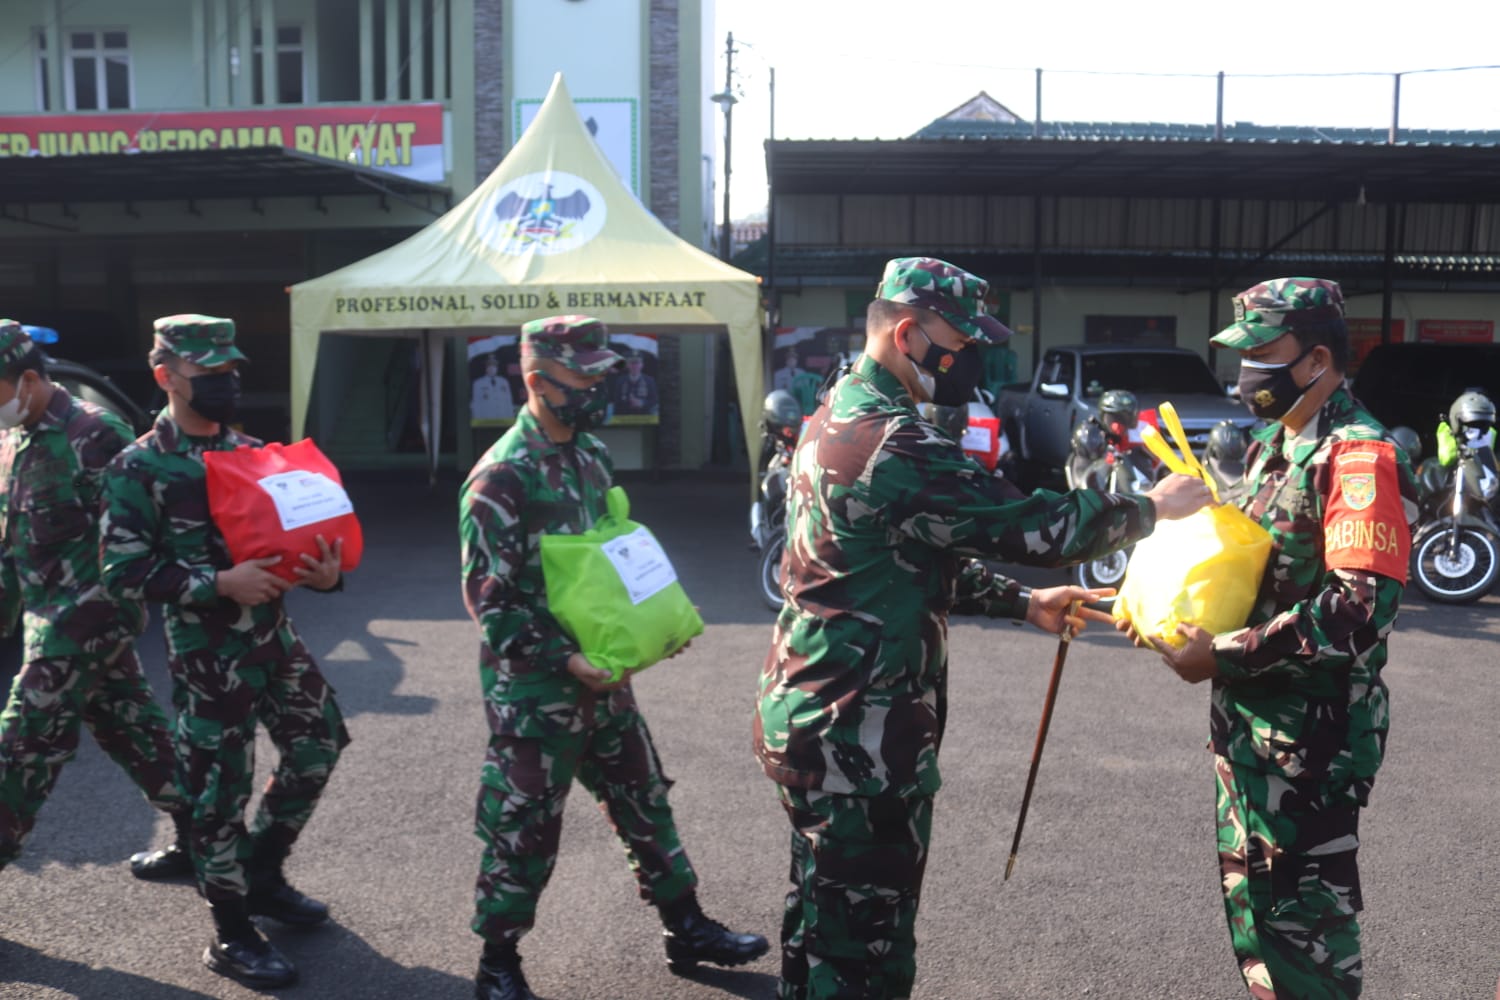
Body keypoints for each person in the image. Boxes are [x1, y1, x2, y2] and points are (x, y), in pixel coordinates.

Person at [753, 257, 1213, 1000]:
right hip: (857, 738)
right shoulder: (891, 440)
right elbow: (1035, 525)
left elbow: (900, 555)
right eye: (962, 343)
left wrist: (1022, 604)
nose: (972, 359)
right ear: (909, 334)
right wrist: (1152, 508)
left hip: (817, 715)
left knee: (822, 919)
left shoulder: (835, 411)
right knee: (864, 953)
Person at [1121, 277, 1418, 999]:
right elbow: (1247, 571)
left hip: (1311, 748)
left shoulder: (1358, 459)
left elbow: (1356, 611)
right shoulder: (1269, 448)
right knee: (1259, 932)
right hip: (1249, 737)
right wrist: (1150, 605)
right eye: (1241, 352)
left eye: (1262, 352)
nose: (1246, 371)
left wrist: (1219, 654)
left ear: (1316, 360)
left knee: (1307, 941)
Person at [459, 314, 769, 1000]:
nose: (603, 384)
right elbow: (491, 600)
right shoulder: (501, 477)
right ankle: (498, 962)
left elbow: (613, 551)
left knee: (644, 800)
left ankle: (684, 925)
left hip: (605, 677)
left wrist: (654, 623)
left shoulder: (590, 454)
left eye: (605, 371)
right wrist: (564, 661)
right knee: (525, 829)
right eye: (586, 376)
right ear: (538, 381)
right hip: (538, 691)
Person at [99, 314, 350, 990]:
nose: (225, 384)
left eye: (231, 372)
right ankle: (232, 931)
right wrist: (217, 583)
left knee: (319, 743)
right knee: (217, 790)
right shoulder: (137, 465)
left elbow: (293, 541)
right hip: (208, 657)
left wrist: (325, 574)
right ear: (166, 377)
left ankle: (262, 872)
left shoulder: (256, 452)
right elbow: (121, 571)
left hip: (274, 638)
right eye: (208, 375)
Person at [0, 320, 191, 881]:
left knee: (18, 749)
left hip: (87, 624)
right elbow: (15, 544)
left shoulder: (96, 435)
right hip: (47, 621)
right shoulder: (13, 440)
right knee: (136, 734)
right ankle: (216, 846)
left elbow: (141, 534)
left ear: (29, 380)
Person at [611, 350, 659, 416]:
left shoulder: (649, 380)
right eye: (631, 363)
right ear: (627, 365)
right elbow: (617, 402)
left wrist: (642, 403)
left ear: (642, 365)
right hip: (624, 418)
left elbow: (654, 400)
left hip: (644, 418)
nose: (634, 366)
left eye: (637, 363)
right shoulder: (620, 381)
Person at [471, 355, 516, 421]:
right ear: (486, 368)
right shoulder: (478, 383)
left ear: (497, 367)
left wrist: (510, 418)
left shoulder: (503, 382)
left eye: (494, 366)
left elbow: (508, 401)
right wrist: (478, 420)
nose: (492, 368)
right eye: (489, 366)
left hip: (503, 419)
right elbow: (476, 404)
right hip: (486, 419)